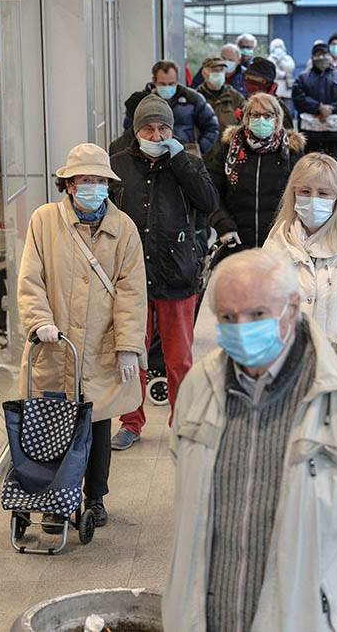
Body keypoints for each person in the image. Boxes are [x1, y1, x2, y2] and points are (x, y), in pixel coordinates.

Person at [163, 248, 337, 631]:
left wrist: (333, 574)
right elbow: (184, 471)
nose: (242, 327)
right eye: (228, 317)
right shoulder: (200, 384)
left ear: (293, 308)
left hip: (303, 615)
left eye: (257, 314)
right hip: (211, 611)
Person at [18, 142, 147, 528]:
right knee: (53, 422)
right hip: (55, 344)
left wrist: (127, 346)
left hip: (100, 345)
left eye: (99, 180)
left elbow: (131, 291)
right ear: (69, 184)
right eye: (85, 180)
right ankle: (54, 497)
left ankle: (95, 497)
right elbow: (30, 278)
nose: (93, 187)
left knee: (97, 420)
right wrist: (39, 320)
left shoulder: (123, 228)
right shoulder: (44, 221)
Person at [108, 94, 220, 450]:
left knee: (179, 359)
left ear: (172, 130)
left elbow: (209, 203)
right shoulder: (117, 165)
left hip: (177, 275)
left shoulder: (188, 162)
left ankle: (182, 421)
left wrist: (181, 162)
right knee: (131, 356)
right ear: (136, 131)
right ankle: (131, 422)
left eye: (163, 128)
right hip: (130, 279)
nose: (156, 136)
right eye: (148, 128)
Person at [263, 153, 337, 358]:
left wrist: (334, 363)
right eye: (305, 191)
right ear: (293, 193)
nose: (313, 200)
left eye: (323, 193)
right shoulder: (275, 242)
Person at [205, 93, 306, 251]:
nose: (261, 120)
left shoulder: (291, 152)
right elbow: (212, 191)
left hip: (280, 242)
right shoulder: (230, 149)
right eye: (256, 115)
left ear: (277, 119)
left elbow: (302, 195)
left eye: (268, 115)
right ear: (246, 118)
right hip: (236, 241)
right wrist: (223, 224)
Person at [112, 60, 219, 157]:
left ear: (177, 80)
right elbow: (129, 130)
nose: (167, 87)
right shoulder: (141, 102)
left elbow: (211, 127)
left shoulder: (192, 99)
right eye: (162, 84)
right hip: (150, 156)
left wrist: (199, 148)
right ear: (154, 81)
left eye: (171, 83)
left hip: (184, 153)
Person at [293, 41, 337, 157]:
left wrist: (331, 109)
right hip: (310, 135)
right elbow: (298, 98)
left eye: (324, 54)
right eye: (317, 54)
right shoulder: (302, 78)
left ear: (330, 56)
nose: (321, 57)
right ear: (312, 57)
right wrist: (317, 107)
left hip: (335, 135)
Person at [197, 56, 247, 135]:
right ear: (204, 73)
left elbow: (244, 123)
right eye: (215, 71)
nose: (219, 74)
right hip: (205, 146)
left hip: (228, 146)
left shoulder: (236, 97)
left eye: (221, 70)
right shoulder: (196, 98)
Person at [268, 37, 297, 119]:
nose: (278, 49)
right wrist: (282, 73)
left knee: (287, 110)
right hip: (276, 88)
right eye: (276, 47)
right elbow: (272, 71)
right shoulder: (270, 58)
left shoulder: (287, 58)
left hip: (287, 88)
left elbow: (290, 68)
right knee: (275, 109)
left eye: (280, 47)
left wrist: (281, 61)